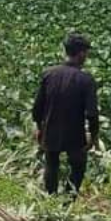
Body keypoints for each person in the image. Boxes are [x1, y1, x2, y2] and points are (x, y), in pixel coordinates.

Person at [32, 34, 100, 195]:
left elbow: (37, 107)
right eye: (86, 52)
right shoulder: (86, 79)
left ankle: (51, 197)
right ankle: (70, 197)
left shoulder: (49, 74)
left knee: (51, 163)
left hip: (51, 127)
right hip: (74, 132)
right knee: (78, 166)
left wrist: (38, 126)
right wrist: (94, 135)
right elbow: (92, 113)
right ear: (81, 53)